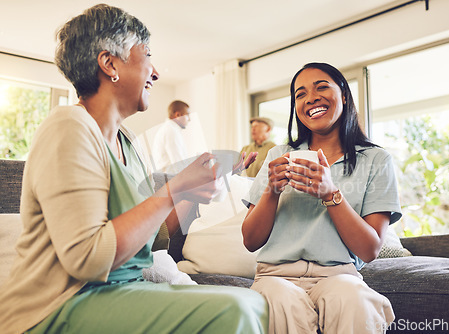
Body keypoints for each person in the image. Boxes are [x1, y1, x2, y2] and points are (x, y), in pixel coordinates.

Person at [0, 5, 267, 334]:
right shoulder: (68, 127)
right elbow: (89, 259)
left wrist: (188, 192)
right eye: (147, 55)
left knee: (255, 302)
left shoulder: (128, 144)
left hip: (116, 291)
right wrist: (171, 189)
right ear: (109, 63)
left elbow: (151, 243)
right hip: (55, 306)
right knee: (236, 310)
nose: (155, 72)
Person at [241, 62, 402, 334]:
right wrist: (272, 190)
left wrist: (330, 193)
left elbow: (369, 250)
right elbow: (250, 240)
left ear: (344, 95)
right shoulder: (278, 155)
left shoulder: (376, 160)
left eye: (321, 87)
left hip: (339, 275)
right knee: (280, 301)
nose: (311, 98)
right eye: (300, 94)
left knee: (354, 300)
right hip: (275, 275)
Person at [152, 100, 191, 172]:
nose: (189, 119)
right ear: (178, 115)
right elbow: (179, 165)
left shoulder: (170, 129)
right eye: (187, 115)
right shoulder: (171, 131)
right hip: (171, 180)